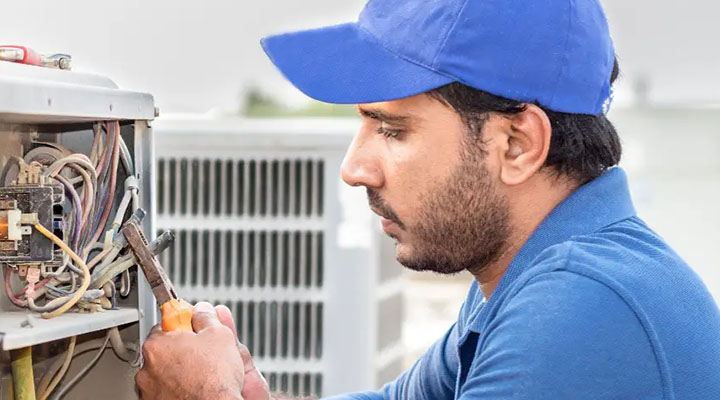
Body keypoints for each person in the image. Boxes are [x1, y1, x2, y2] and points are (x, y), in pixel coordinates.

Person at [135, 0, 720, 398]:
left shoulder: (579, 310)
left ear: (517, 144)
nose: (354, 169)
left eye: (392, 130)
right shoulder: (528, 274)